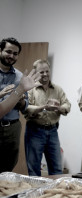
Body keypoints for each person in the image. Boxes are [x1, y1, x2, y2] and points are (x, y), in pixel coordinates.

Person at [23, 59, 71, 176]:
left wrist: (58, 108)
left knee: (57, 170)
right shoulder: (30, 89)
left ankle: (56, 194)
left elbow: (67, 105)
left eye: (47, 71)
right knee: (34, 171)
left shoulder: (58, 89)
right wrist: (44, 107)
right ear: (35, 72)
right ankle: (36, 194)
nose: (45, 74)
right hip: (34, 131)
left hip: (53, 132)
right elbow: (26, 108)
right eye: (41, 72)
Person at [0, 37, 30, 172]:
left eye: (15, 53)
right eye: (8, 51)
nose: (11, 56)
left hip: (12, 127)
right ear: (0, 50)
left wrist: (21, 101)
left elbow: (25, 107)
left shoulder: (20, 77)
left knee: (8, 166)